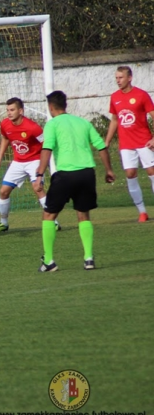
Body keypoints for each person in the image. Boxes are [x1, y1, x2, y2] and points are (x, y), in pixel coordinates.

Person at [35, 91, 114, 272]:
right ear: (65, 105)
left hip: (65, 175)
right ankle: (88, 258)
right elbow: (101, 146)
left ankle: (48, 261)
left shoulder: (52, 124)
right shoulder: (82, 122)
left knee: (48, 216)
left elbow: (47, 148)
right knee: (83, 215)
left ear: (50, 107)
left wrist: (39, 174)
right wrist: (109, 170)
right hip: (86, 174)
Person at [0, 97, 60, 233]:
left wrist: (46, 163)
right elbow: (5, 138)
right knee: (3, 191)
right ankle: (3, 223)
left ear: (20, 111)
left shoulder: (32, 127)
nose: (9, 113)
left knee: (37, 188)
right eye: (7, 110)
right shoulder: (5, 124)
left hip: (34, 160)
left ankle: (53, 221)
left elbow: (46, 143)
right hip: (18, 162)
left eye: (12, 110)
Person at [104, 66, 154, 222]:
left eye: (121, 77)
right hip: (126, 144)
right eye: (116, 78)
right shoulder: (114, 97)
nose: (118, 81)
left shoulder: (141, 95)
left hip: (144, 141)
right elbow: (114, 120)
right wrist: (106, 141)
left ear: (129, 78)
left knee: (152, 172)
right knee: (130, 174)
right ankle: (142, 212)